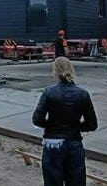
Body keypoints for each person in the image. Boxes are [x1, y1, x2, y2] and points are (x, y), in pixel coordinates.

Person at [32, 57, 98, 186]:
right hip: (74, 142)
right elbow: (92, 124)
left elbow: (37, 119)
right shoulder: (83, 94)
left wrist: (52, 126)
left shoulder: (48, 92)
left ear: (55, 71)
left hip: (53, 143)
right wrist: (76, 127)